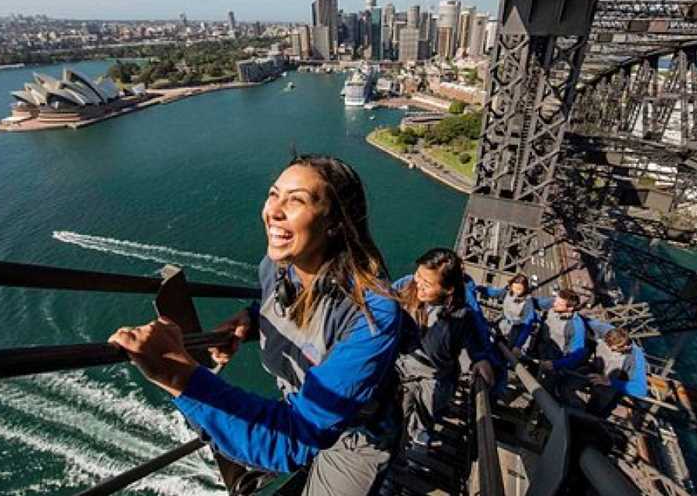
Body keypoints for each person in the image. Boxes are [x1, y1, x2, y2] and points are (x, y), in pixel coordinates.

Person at [108, 155, 402, 496]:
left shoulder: (372, 314)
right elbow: (285, 305)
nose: (273, 210)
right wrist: (251, 317)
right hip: (302, 405)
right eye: (273, 194)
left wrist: (176, 373)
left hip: (356, 437)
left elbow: (293, 439)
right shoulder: (277, 267)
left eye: (297, 200)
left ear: (335, 222)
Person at [393, 249, 493, 447]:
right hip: (402, 367)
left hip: (434, 377)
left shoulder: (460, 315)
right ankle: (400, 450)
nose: (418, 283)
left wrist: (480, 359)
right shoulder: (405, 286)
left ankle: (418, 437)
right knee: (396, 416)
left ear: (448, 289)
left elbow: (471, 340)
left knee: (424, 417)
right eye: (418, 275)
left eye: (427, 283)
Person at [584, 326, 648, 417]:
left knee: (594, 412)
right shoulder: (607, 334)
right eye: (609, 346)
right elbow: (593, 323)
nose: (611, 349)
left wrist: (611, 382)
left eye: (614, 349)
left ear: (625, 346)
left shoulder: (634, 357)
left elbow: (641, 390)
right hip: (597, 374)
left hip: (610, 388)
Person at [474, 273, 538, 355]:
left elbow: (527, 326)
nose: (516, 292)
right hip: (501, 326)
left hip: (514, 332)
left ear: (525, 289)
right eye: (514, 288)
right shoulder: (507, 293)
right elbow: (494, 292)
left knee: (505, 354)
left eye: (519, 289)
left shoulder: (528, 302)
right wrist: (480, 289)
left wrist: (518, 345)